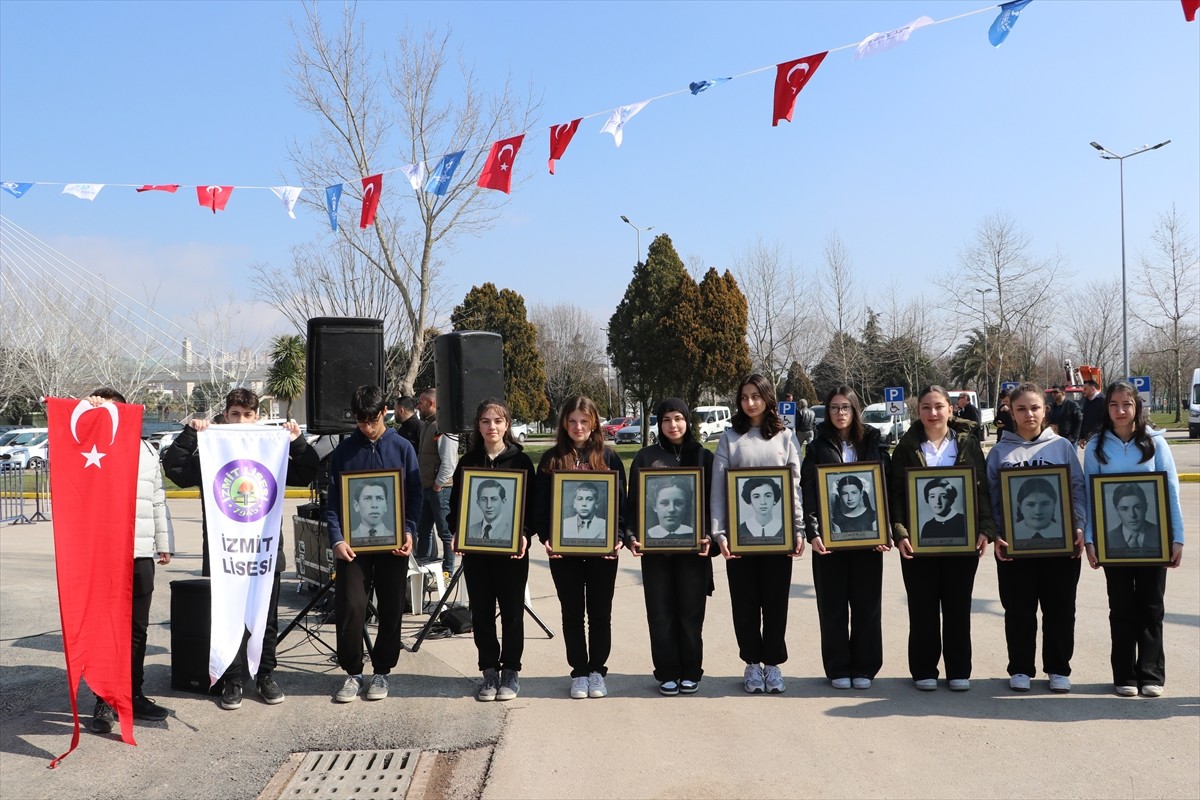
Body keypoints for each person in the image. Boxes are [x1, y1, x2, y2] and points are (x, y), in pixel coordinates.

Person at [162, 387, 318, 711]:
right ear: (226, 415)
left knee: (267, 619)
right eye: (235, 414)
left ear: (257, 417)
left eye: (248, 415)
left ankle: (265, 675)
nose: (242, 420)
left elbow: (309, 472)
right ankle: (232, 681)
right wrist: (191, 434)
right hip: (226, 554)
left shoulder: (270, 448)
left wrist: (297, 441)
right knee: (225, 618)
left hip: (264, 552)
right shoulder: (211, 449)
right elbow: (174, 469)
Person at [1084, 380, 1185, 698]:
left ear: (1137, 406)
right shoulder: (1096, 446)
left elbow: (1171, 491)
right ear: (1107, 408)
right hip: (1112, 543)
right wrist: (1090, 539)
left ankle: (1151, 674)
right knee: (1122, 608)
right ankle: (1124, 675)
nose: (1120, 410)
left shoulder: (1155, 442)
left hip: (1154, 541)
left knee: (1152, 606)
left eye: (1126, 404)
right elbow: (1089, 495)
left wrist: (1176, 537)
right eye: (1113, 405)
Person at [889, 386, 994, 692]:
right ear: (917, 411)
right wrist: (900, 533)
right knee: (922, 608)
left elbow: (981, 489)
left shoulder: (968, 443)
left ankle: (959, 669)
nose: (932, 413)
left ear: (950, 409)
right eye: (925, 407)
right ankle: (924, 669)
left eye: (938, 407)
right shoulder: (907, 447)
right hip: (918, 542)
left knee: (958, 607)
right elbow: (896, 493)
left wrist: (985, 528)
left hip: (961, 540)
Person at [987, 382, 1086, 694]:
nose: (1028, 414)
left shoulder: (1062, 448)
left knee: (1060, 609)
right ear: (1011, 412)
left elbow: (1078, 490)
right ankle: (1020, 669)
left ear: (1045, 410)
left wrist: (1079, 525)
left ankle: (1058, 668)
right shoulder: (1000, 452)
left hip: (1061, 545)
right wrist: (998, 534)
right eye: (1021, 408)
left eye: (1034, 407)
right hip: (1015, 547)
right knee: (1019, 610)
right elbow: (990, 497)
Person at [325, 385, 421, 703]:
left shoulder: (403, 447)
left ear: (384, 413)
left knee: (392, 606)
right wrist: (337, 538)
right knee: (351, 606)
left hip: (394, 545)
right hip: (353, 546)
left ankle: (382, 670)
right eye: (361, 421)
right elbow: (334, 503)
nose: (367, 426)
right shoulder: (343, 452)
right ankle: (353, 671)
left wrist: (409, 532)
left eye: (372, 420)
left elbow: (415, 496)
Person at [86, 388, 175, 733]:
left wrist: (163, 542)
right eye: (104, 412)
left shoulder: (147, 450)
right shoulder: (89, 449)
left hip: (140, 554)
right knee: (106, 629)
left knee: (137, 630)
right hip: (102, 556)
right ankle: (103, 700)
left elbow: (157, 499)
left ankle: (132, 694)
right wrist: (86, 409)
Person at [712, 374, 804, 695]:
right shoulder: (729, 438)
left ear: (767, 398)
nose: (750, 402)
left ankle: (774, 664)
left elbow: (794, 488)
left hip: (779, 538)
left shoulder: (785, 437)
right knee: (745, 602)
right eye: (744, 397)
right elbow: (719, 492)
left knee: (776, 602)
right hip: (740, 539)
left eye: (756, 396)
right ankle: (752, 663)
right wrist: (719, 532)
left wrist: (798, 527)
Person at [534, 395, 626, 699]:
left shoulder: (609, 459)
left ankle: (597, 671)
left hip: (602, 551)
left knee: (601, 613)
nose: (578, 426)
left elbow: (622, 505)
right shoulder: (551, 459)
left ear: (594, 423)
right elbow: (541, 507)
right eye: (572, 421)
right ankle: (579, 672)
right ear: (564, 422)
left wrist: (619, 536)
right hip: (564, 552)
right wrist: (547, 537)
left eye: (584, 421)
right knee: (571, 613)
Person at [448, 399, 536, 702]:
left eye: (498, 421)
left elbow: (532, 508)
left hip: (512, 555)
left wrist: (524, 534)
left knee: (512, 613)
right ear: (478, 426)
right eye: (486, 421)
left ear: (507, 425)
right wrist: (457, 530)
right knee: (482, 613)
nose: (492, 427)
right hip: (477, 554)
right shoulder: (467, 462)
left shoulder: (521, 462)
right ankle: (489, 670)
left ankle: (511, 671)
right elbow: (455, 506)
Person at [801, 386, 888, 691]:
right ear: (827, 412)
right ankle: (837, 666)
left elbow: (886, 487)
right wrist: (813, 532)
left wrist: (885, 529)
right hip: (830, 540)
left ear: (855, 410)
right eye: (835, 408)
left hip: (868, 539)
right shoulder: (817, 445)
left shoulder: (874, 441)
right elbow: (808, 490)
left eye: (846, 408)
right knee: (832, 606)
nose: (840, 413)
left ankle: (865, 666)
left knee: (867, 606)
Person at [626, 398, 715, 695]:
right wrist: (631, 536)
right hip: (656, 554)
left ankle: (691, 670)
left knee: (691, 614)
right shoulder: (645, 458)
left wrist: (710, 539)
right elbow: (633, 505)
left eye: (678, 418)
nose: (673, 425)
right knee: (661, 613)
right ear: (659, 423)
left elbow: (716, 505)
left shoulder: (703, 457)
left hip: (693, 552)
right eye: (666, 419)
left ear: (688, 421)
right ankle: (666, 671)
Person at [416, 387, 459, 577]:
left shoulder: (443, 426)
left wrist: (437, 485)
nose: (418, 406)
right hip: (426, 487)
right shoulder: (427, 424)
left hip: (440, 489)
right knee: (423, 530)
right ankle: (423, 569)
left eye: (421, 402)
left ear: (432, 403)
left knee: (445, 532)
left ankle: (447, 572)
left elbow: (449, 462)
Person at [1104, 484, 1161, 554]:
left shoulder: (1161, 534)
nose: (1132, 515)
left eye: (1137, 507)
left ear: (1146, 507)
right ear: (1116, 510)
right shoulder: (1108, 539)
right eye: (1124, 509)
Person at [1010, 478, 1065, 546]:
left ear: (1054, 505)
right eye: (1030, 505)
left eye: (1045, 504)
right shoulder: (1010, 534)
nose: (1038, 512)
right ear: (1020, 506)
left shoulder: (1064, 533)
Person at [464, 479, 514, 546]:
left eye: (494, 499)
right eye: (484, 499)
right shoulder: (469, 531)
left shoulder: (512, 532)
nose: (489, 505)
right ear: (478, 503)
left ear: (503, 501)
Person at [919, 478, 968, 545]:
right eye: (932, 496)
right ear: (927, 500)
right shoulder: (927, 526)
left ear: (951, 499)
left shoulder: (964, 521)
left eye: (943, 496)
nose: (937, 502)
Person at [736, 477, 785, 544]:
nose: (763, 502)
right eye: (756, 497)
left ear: (775, 499)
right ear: (750, 500)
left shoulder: (786, 529)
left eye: (767, 496)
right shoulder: (740, 530)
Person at [349, 480, 395, 548]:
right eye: (368, 499)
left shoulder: (395, 538)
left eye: (379, 498)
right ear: (356, 505)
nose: (374, 505)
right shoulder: (347, 540)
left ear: (386, 505)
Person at [1077, 380, 1105, 446]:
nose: (1083, 391)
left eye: (1085, 389)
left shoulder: (1103, 400)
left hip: (1102, 438)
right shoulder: (1087, 402)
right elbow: (1085, 420)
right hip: (1089, 438)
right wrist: (1082, 437)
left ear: (1093, 389)